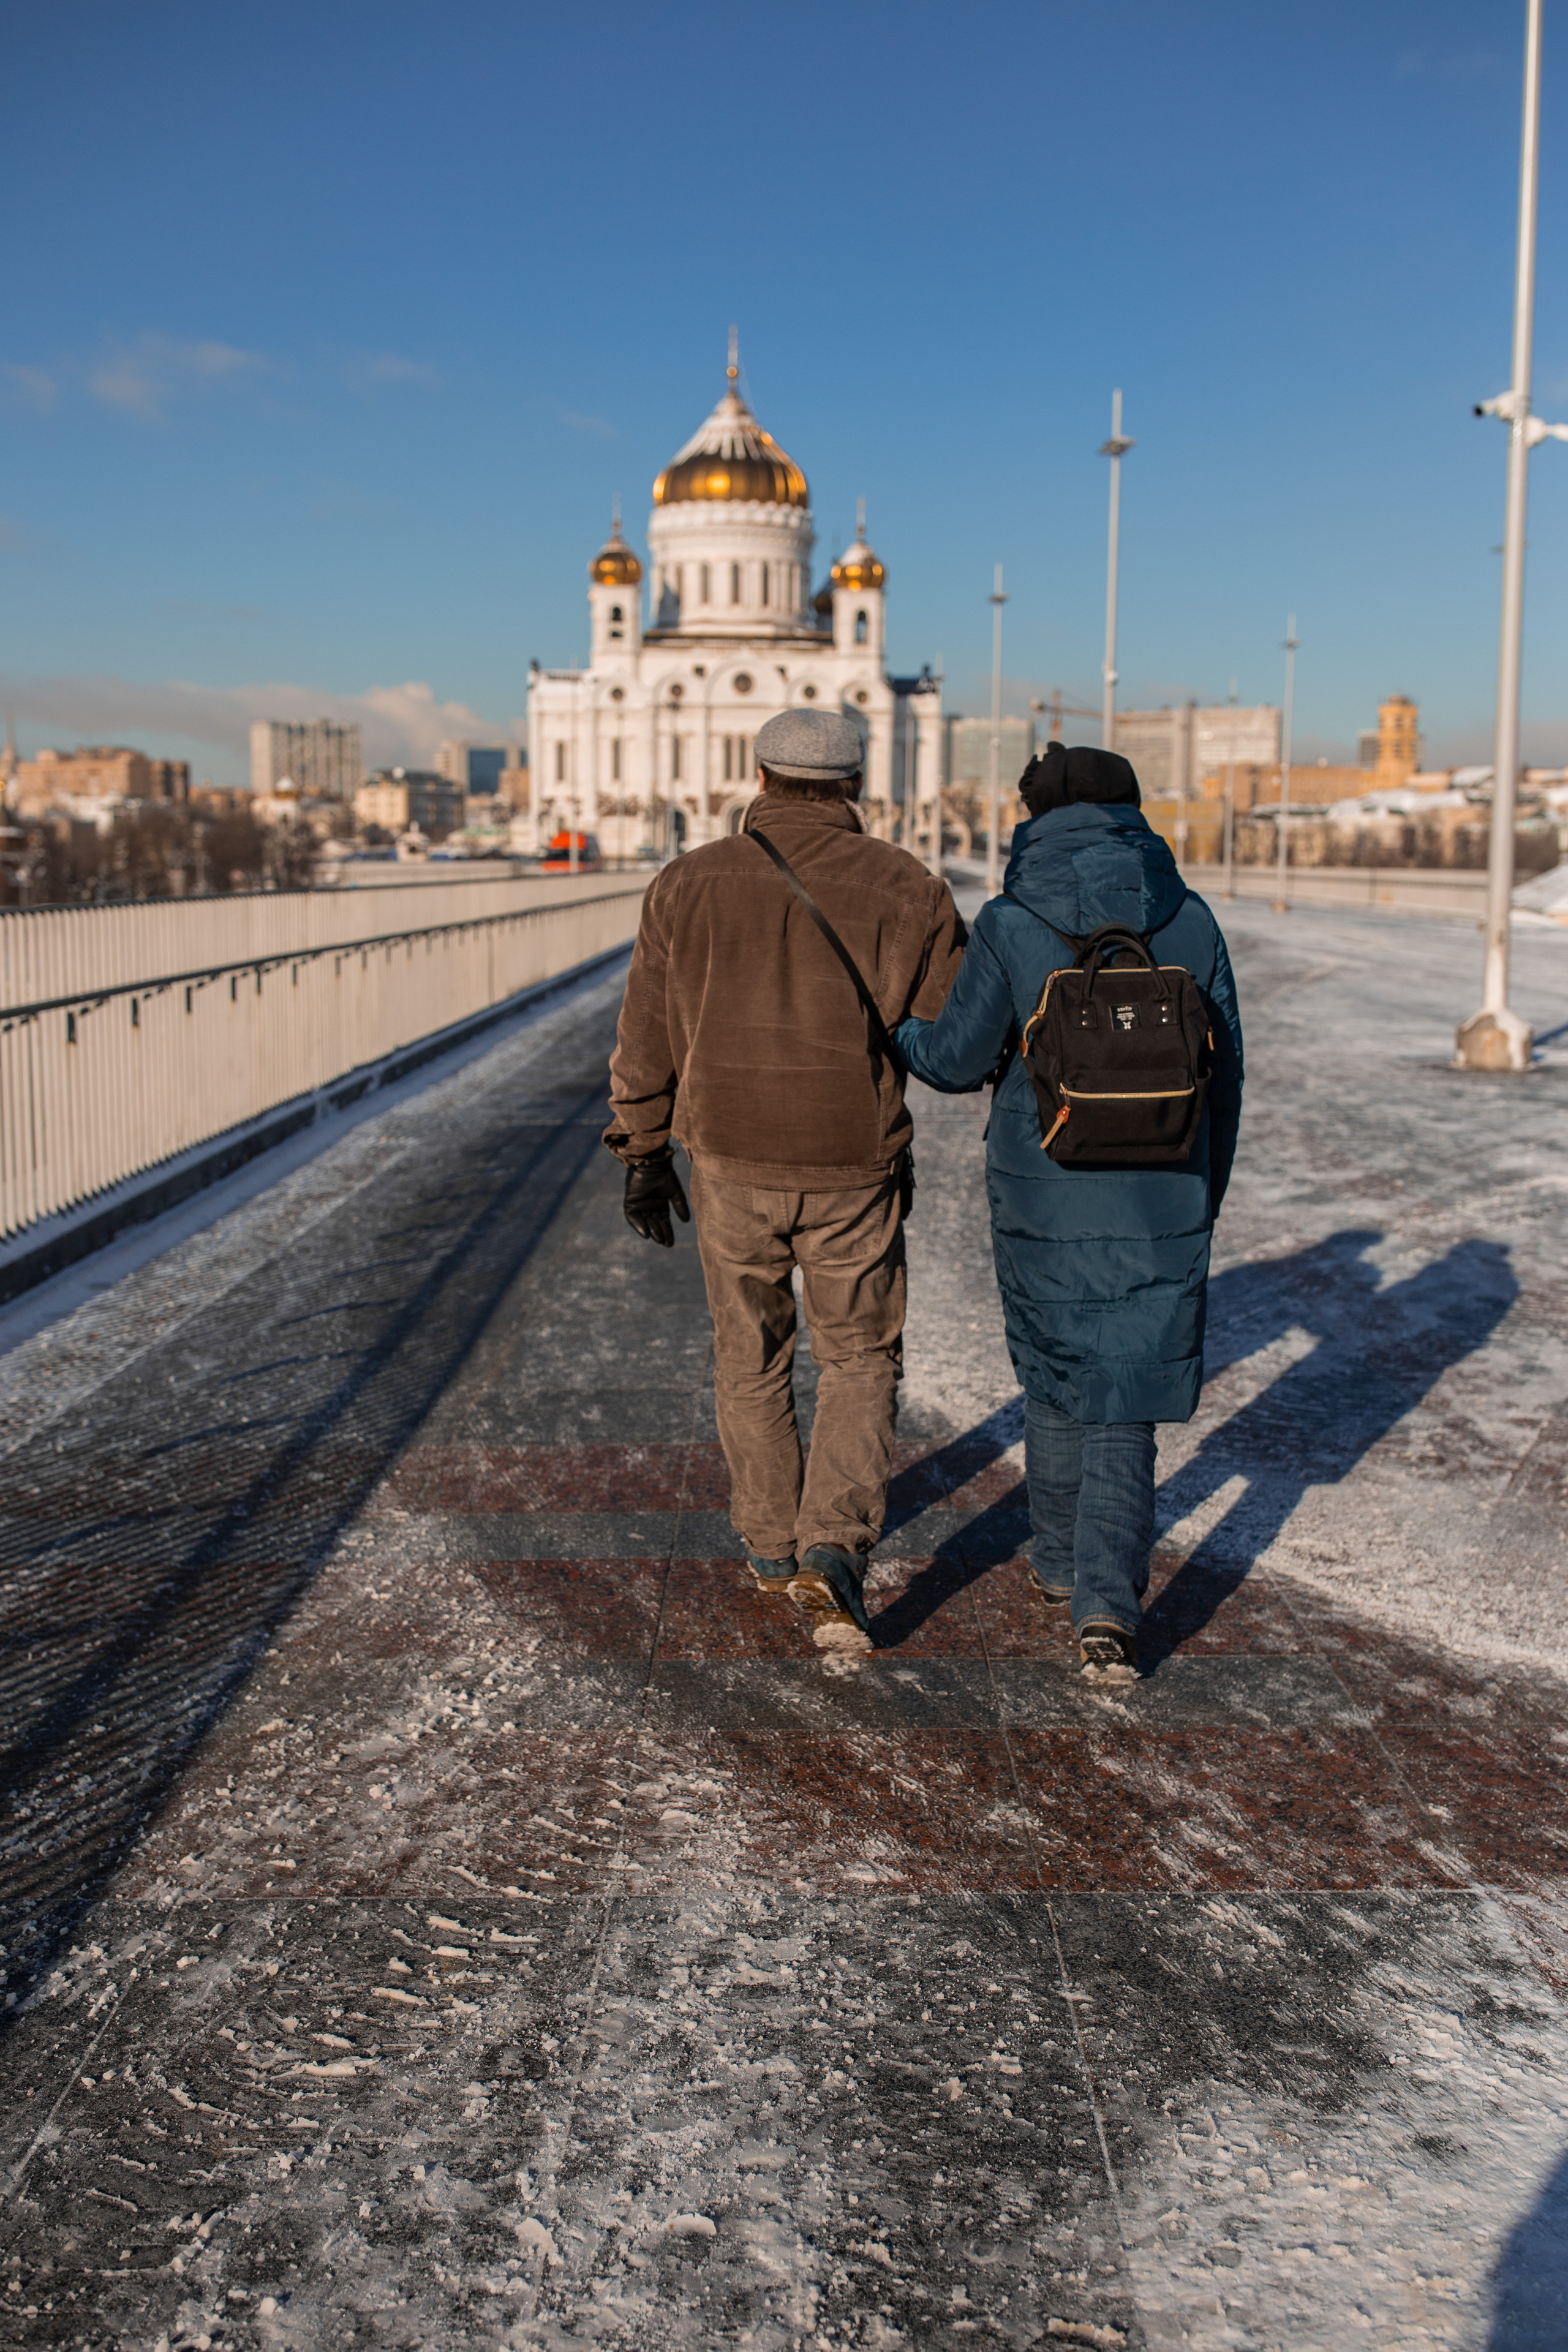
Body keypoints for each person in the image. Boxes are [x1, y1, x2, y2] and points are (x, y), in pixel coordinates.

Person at [605, 706, 965, 1656]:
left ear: (757, 778)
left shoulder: (684, 884)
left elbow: (645, 1034)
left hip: (728, 1160)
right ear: (854, 784)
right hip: (855, 1163)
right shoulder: (908, 886)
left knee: (751, 1358)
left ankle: (770, 1548)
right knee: (856, 1358)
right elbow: (949, 1038)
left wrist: (642, 1150)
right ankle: (833, 1546)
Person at [895, 742, 1244, 1683]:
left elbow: (958, 1060)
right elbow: (1230, 1074)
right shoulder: (1192, 917)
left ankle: (1055, 1561)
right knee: (1127, 1391)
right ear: (1134, 811)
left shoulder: (1011, 921)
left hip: (1043, 1184)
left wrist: (900, 1031)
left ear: (1033, 817)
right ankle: (1108, 1608)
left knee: (1055, 1369)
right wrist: (1203, 1189)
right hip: (1164, 1186)